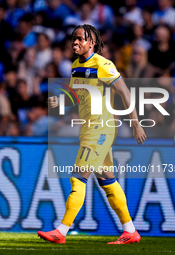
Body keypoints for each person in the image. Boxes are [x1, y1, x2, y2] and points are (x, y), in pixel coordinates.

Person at [37, 24, 146, 244]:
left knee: (78, 176)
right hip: (89, 128)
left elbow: (124, 92)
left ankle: (61, 231)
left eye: (80, 39)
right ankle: (130, 231)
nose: (75, 43)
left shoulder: (103, 65)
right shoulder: (76, 66)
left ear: (92, 42)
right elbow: (80, 97)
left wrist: (135, 123)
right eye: (73, 39)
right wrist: (60, 102)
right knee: (107, 180)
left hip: (101, 128)